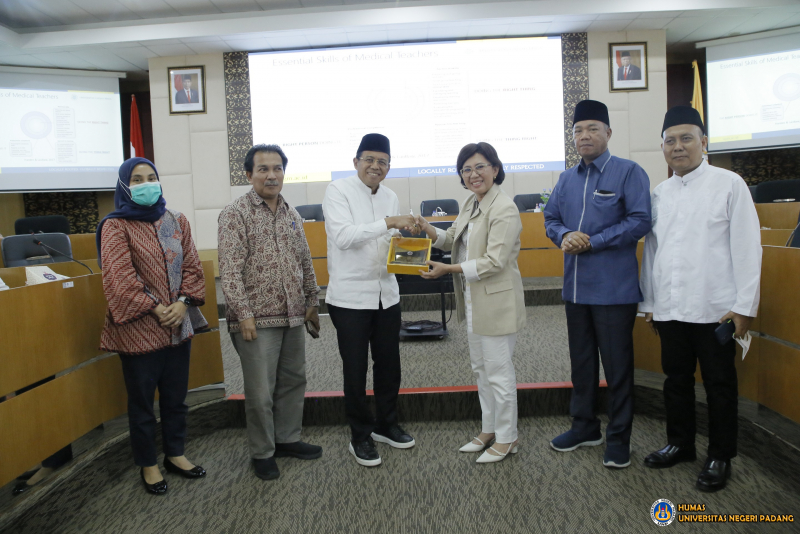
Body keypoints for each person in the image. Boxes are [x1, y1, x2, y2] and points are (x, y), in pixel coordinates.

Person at [640, 106, 761, 492]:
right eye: (670, 141)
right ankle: (681, 443)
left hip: (716, 308)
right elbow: (653, 253)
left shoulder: (729, 184)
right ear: (662, 147)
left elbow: (747, 248)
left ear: (703, 142)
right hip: (671, 308)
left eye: (686, 138)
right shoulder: (660, 193)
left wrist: (744, 307)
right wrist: (650, 302)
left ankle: (720, 455)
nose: (678, 147)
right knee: (675, 381)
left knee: (719, 385)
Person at [543, 99, 651, 469]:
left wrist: (593, 240)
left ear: (608, 132)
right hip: (575, 289)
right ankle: (584, 425)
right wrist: (564, 235)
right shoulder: (566, 179)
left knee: (618, 368)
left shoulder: (628, 172)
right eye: (578, 130)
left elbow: (640, 221)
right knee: (582, 363)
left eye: (592, 128)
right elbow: (551, 218)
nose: (584, 136)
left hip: (613, 290)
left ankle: (619, 438)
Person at [97, 157, 207, 495]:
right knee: (143, 404)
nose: (147, 184)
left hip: (178, 326)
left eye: (152, 177)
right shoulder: (114, 226)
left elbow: (192, 267)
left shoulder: (176, 220)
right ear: (125, 187)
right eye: (138, 179)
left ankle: (175, 453)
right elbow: (118, 278)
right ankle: (148, 463)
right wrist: (158, 309)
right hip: (138, 332)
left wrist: (183, 304)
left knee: (176, 398)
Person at [416, 142, 526, 463]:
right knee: (482, 369)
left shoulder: (503, 207)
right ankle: (489, 428)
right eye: (466, 169)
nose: (473, 174)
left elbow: (494, 261)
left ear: (495, 168)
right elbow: (452, 238)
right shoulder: (472, 202)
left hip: (497, 302)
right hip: (473, 300)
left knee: (499, 371)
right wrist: (427, 229)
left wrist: (448, 269)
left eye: (480, 166)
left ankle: (508, 438)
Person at [218, 144, 322, 481]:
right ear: (249, 175)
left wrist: (312, 303)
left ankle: (288, 438)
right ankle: (262, 452)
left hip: (293, 315)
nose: (271, 175)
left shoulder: (292, 214)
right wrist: (243, 313)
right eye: (263, 169)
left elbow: (304, 260)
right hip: (254, 322)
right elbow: (229, 270)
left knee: (293, 381)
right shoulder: (235, 214)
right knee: (261, 392)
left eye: (277, 168)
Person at [322, 133, 418, 467]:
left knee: (389, 366)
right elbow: (345, 237)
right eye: (369, 160)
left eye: (382, 162)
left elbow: (387, 240)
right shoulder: (338, 190)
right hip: (350, 298)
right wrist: (389, 223)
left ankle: (386, 425)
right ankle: (360, 436)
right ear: (356, 162)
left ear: (389, 166)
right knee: (355, 370)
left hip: (387, 295)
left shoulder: (390, 195)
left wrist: (407, 246)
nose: (375, 167)